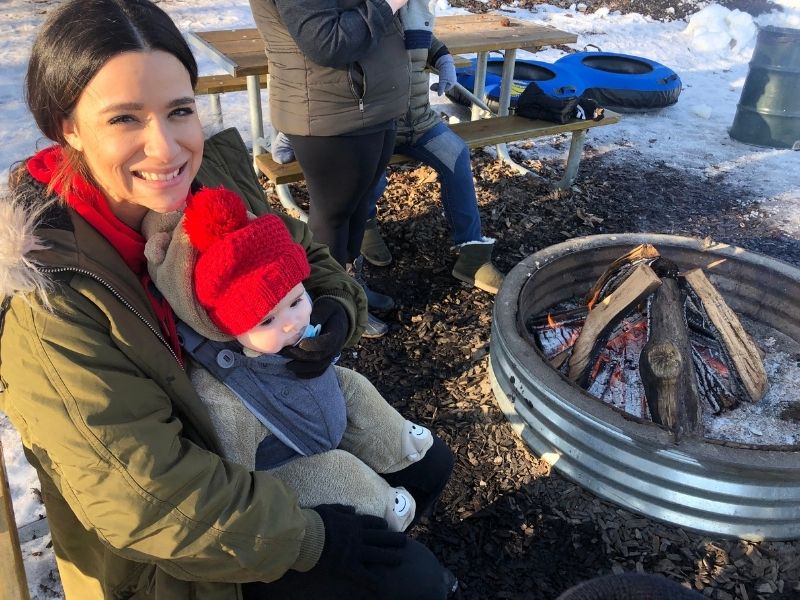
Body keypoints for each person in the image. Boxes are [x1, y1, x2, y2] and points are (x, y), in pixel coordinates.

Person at [0, 0, 454, 598]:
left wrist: (336, 312)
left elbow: (308, 260)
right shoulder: (53, 296)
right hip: (176, 549)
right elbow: (148, 502)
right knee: (410, 581)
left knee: (427, 467)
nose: (165, 149)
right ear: (68, 127)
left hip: (266, 422)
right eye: (124, 119)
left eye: (179, 110)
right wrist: (313, 539)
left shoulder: (207, 185)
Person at [141, 186, 439, 532]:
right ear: (229, 328)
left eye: (297, 301)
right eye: (266, 321)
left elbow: (310, 255)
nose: (292, 322)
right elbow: (238, 466)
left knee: (354, 385)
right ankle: (384, 506)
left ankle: (396, 442)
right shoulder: (222, 391)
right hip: (285, 462)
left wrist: (338, 308)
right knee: (337, 471)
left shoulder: (282, 330)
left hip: (315, 416)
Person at [271, 0, 506, 294]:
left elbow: (422, 36)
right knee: (366, 180)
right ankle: (364, 232)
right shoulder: (368, 8)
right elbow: (322, 49)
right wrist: (291, 128)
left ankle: (471, 252)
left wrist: (442, 55)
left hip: (419, 120)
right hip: (374, 119)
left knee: (455, 154)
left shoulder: (416, 8)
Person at [249, 0, 413, 338]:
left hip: (372, 104)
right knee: (334, 215)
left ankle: (350, 288)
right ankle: (331, 305)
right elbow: (324, 41)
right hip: (331, 111)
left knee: (359, 205)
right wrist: (389, 4)